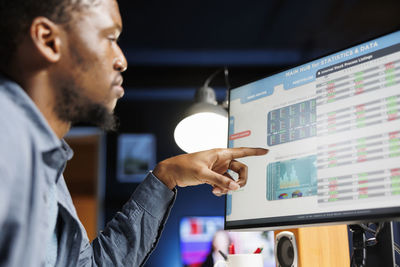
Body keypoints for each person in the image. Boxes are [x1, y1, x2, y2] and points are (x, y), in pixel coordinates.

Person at [0, 0, 268, 266]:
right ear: (48, 41)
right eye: (109, 37)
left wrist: (167, 176)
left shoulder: (41, 160)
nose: (122, 60)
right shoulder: (8, 141)